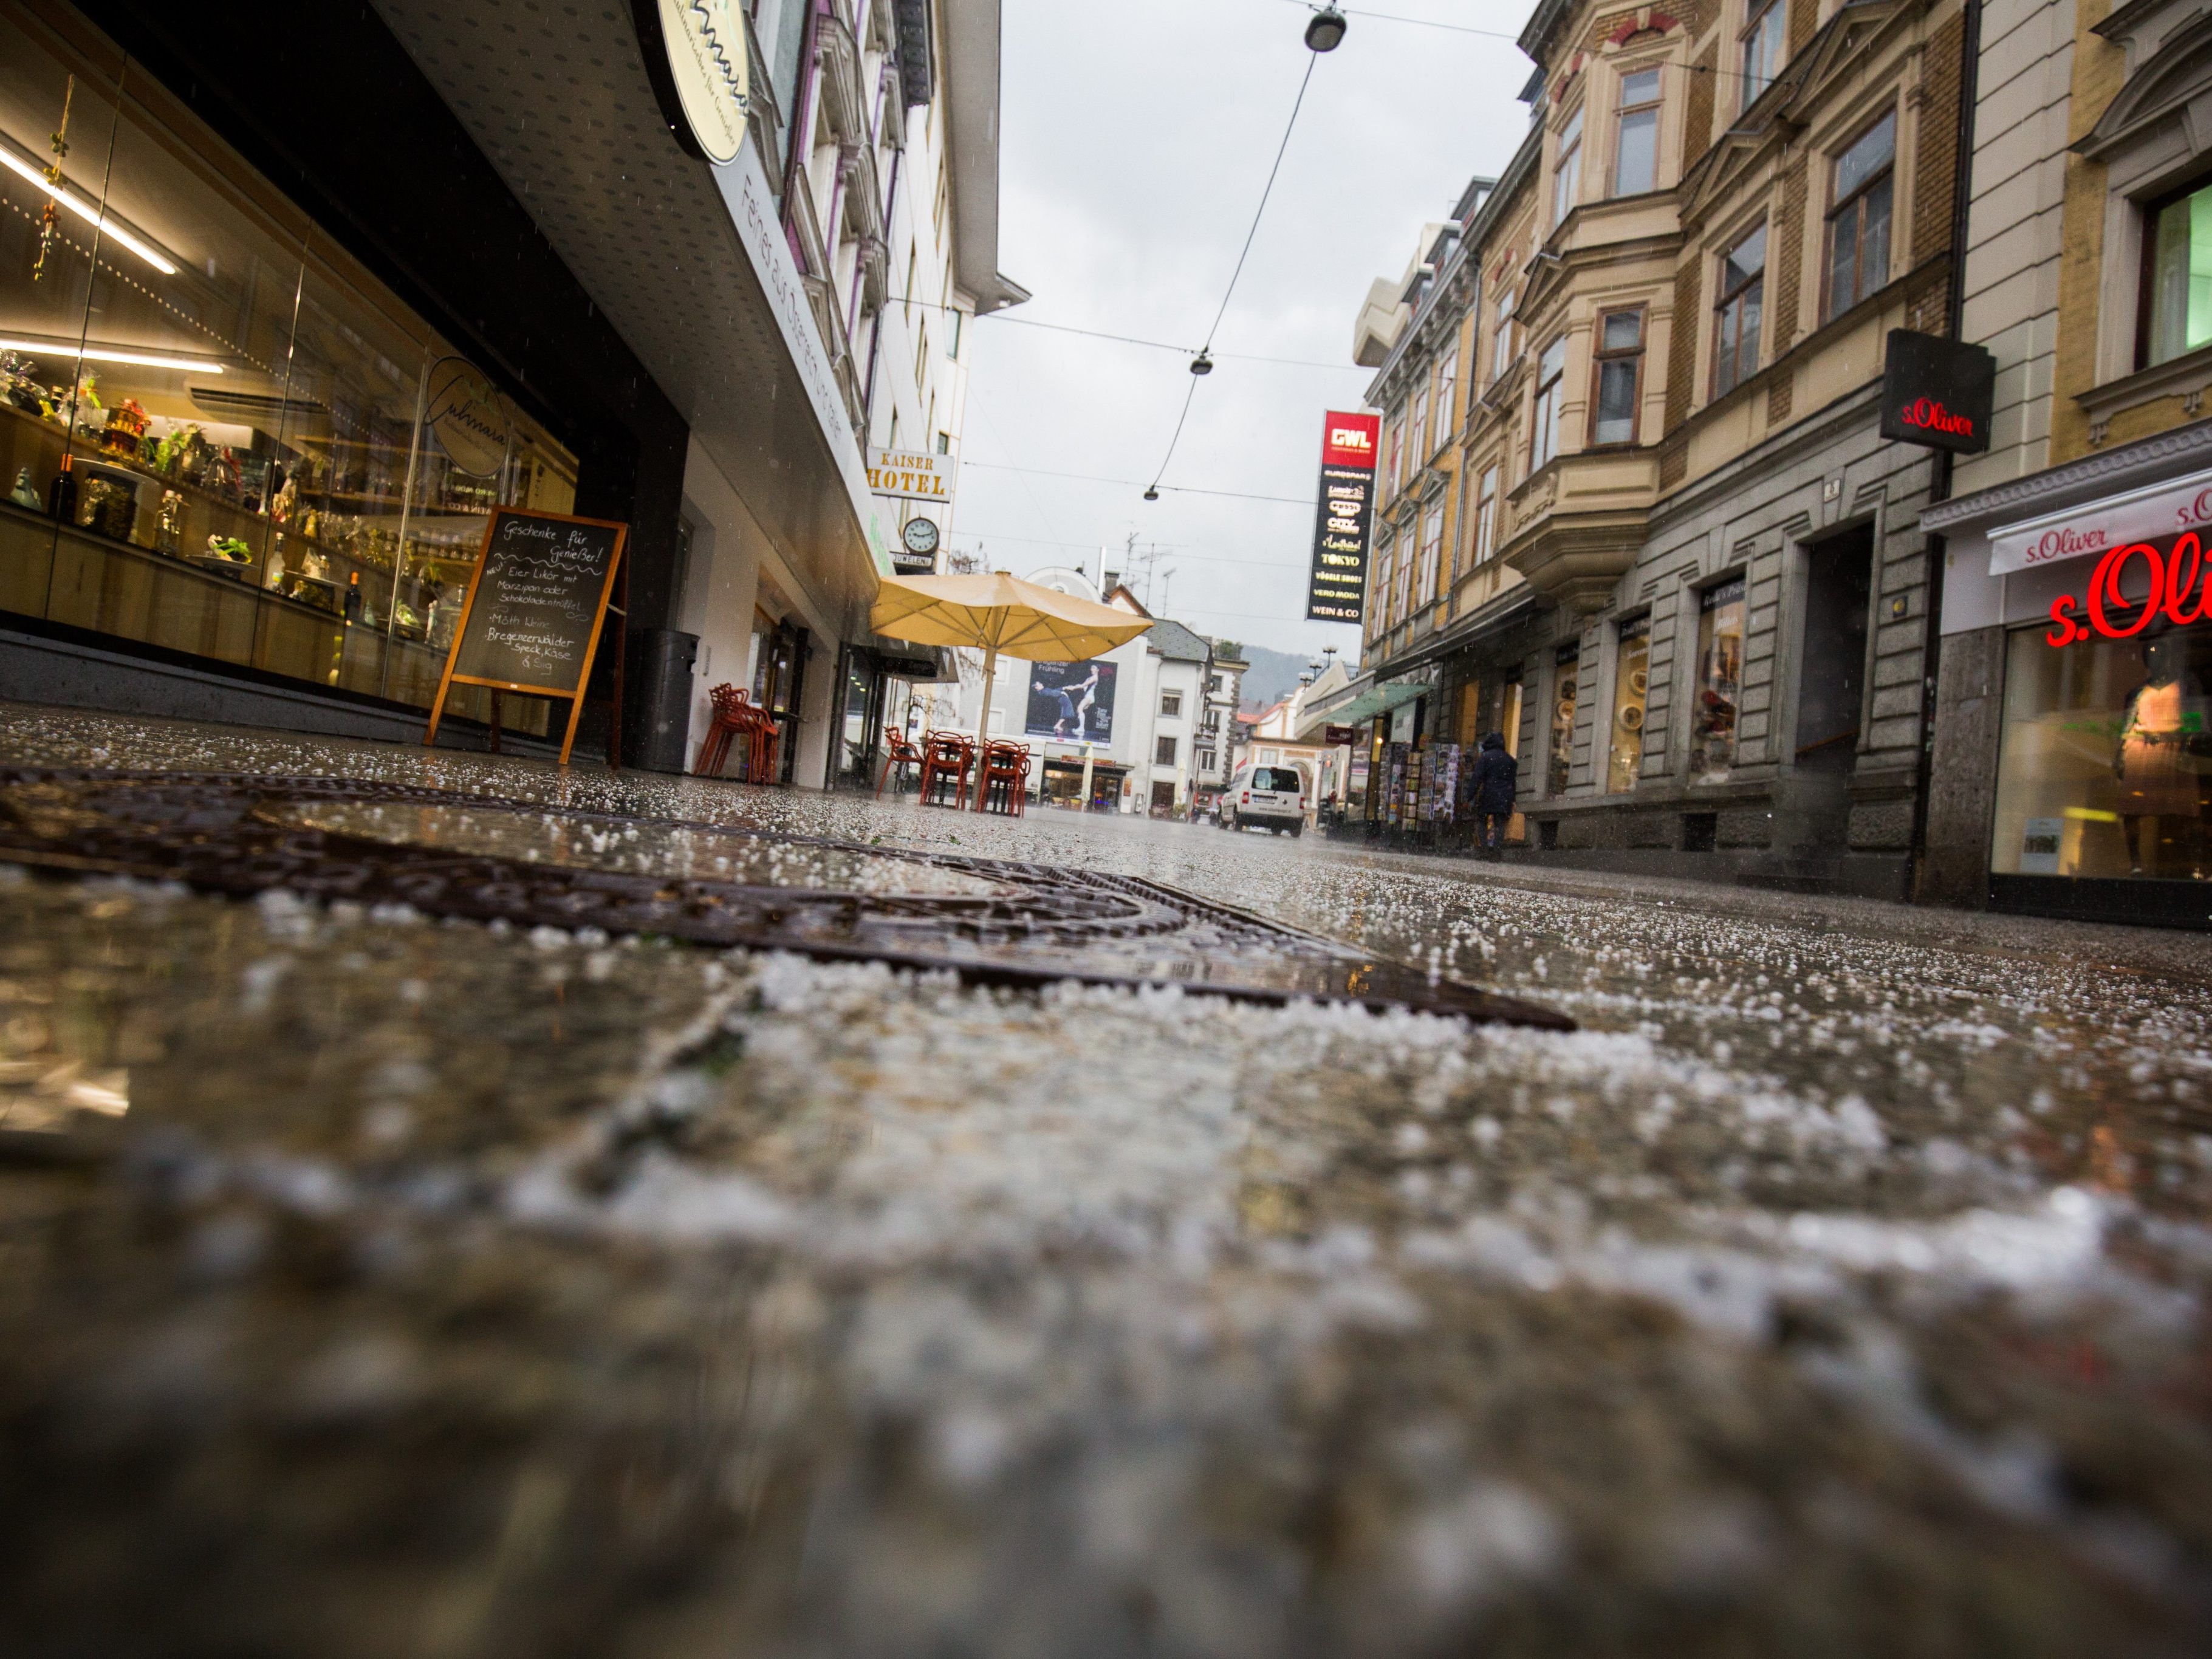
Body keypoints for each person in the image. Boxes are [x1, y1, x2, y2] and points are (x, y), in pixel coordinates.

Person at [1471, 730, 1518, 852]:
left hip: (1488, 794)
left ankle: (1485, 849)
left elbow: (1477, 777)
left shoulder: (1486, 757)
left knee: (1482, 821)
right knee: (1500, 824)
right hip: (1504, 796)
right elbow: (1513, 782)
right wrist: (1513, 799)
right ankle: (1496, 851)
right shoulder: (1510, 760)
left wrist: (1470, 794)